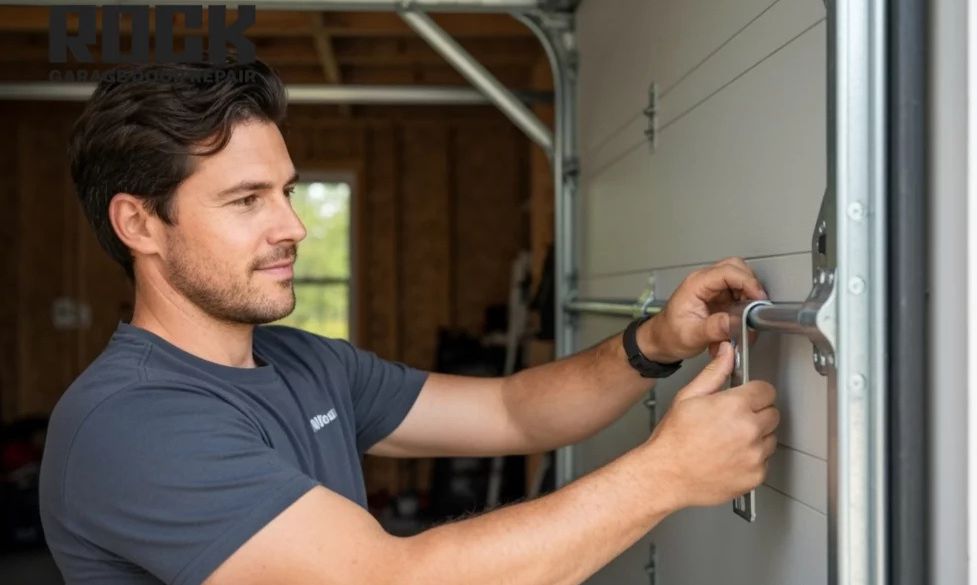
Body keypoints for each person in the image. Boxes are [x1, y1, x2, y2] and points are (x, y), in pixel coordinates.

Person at [39, 59, 779, 585]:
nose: (293, 225)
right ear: (139, 223)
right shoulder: (130, 423)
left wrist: (653, 344)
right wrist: (666, 473)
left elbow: (512, 410)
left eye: (286, 192)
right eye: (246, 200)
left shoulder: (304, 363)